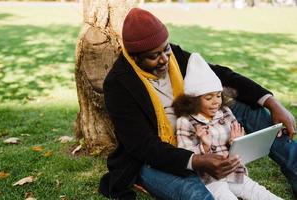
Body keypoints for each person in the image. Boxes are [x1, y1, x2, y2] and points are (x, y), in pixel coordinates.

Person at [98, 7, 297, 200]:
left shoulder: (174, 56)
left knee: (253, 110)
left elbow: (221, 75)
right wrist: (196, 161)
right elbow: (143, 146)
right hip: (156, 160)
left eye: (165, 49)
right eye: (153, 56)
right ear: (135, 57)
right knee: (199, 195)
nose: (164, 60)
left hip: (200, 127)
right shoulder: (118, 84)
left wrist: (271, 102)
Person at [173, 53, 283, 200]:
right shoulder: (185, 121)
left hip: (233, 172)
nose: (216, 102)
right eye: (209, 98)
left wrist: (236, 142)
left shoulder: (224, 112)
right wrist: (204, 146)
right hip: (209, 179)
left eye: (218, 95)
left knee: (259, 192)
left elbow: (238, 147)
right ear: (193, 100)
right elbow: (187, 159)